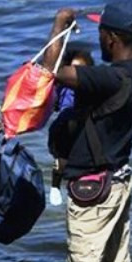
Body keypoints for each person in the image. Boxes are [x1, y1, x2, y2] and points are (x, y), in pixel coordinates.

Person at [41, 2, 132, 262]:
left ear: (111, 38)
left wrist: (59, 26)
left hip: (92, 190)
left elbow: (50, 70)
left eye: (100, 32)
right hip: (120, 181)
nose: (98, 39)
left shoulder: (108, 79)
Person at [47, 43, 94, 206]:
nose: (75, 74)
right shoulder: (63, 85)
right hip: (64, 125)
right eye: (72, 69)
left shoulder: (91, 88)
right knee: (62, 162)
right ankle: (55, 185)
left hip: (82, 125)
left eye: (80, 70)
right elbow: (54, 103)